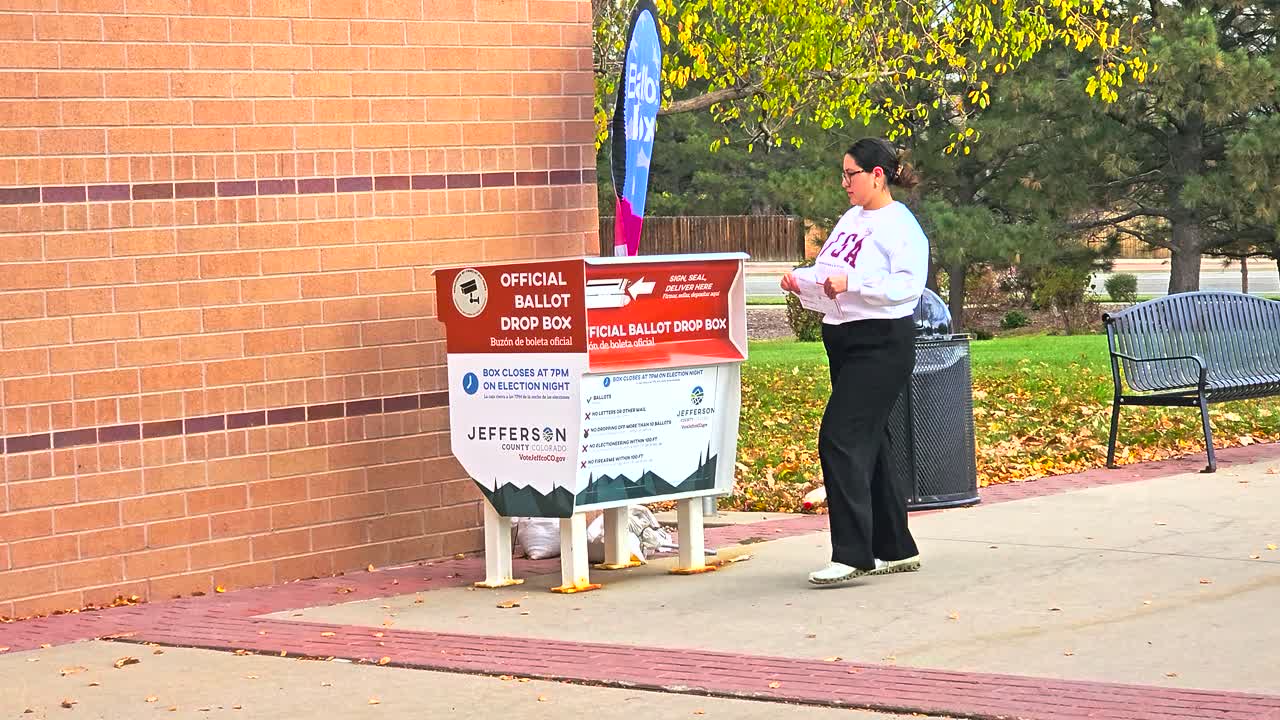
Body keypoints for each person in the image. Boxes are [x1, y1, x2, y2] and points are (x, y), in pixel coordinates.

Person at [780, 138, 927, 585]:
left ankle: (852, 553)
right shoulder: (850, 220)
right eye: (842, 174)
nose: (843, 183)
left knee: (840, 437)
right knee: (871, 441)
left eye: (851, 174)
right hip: (843, 339)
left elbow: (906, 287)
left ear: (877, 176)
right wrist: (802, 282)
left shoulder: (901, 226)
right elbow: (831, 272)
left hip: (880, 343)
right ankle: (895, 548)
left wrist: (854, 284)